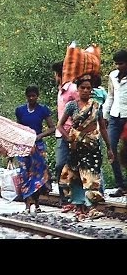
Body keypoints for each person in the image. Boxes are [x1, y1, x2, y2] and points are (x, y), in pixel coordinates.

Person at [57, 75, 114, 220]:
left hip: (92, 145)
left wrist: (109, 148)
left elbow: (102, 128)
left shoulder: (96, 106)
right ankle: (79, 207)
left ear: (91, 90)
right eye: (82, 87)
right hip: (76, 146)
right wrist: (69, 138)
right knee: (75, 176)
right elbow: (60, 125)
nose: (85, 90)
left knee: (92, 176)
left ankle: (92, 207)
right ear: (78, 89)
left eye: (88, 88)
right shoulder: (72, 106)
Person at [14, 85, 55, 214]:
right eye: (29, 96)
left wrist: (39, 136)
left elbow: (52, 128)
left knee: (38, 175)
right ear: (26, 97)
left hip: (38, 146)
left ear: (37, 96)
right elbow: (18, 126)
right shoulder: (20, 110)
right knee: (25, 173)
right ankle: (27, 204)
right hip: (24, 146)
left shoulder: (43, 110)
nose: (32, 98)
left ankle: (37, 203)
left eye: (34, 96)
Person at [51, 61, 79, 212]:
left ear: (60, 74)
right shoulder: (60, 90)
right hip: (61, 133)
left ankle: (74, 198)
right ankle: (64, 198)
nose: (54, 77)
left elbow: (80, 107)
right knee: (60, 165)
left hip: (73, 133)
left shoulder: (73, 89)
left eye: (55, 74)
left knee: (73, 165)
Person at [103, 49, 127, 197]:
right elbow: (111, 96)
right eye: (117, 64)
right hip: (114, 115)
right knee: (110, 148)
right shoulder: (112, 76)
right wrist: (105, 115)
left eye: (121, 63)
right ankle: (120, 184)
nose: (118, 66)